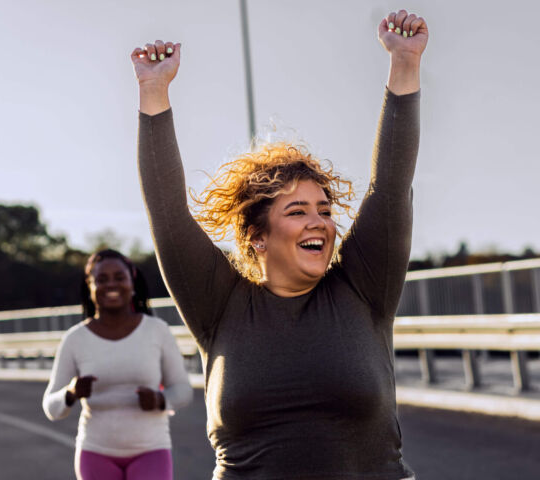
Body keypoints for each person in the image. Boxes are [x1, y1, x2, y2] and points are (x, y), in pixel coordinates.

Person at [132, 9, 426, 480]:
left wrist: (405, 63)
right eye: (298, 212)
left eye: (326, 211)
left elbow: (390, 185)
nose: (321, 223)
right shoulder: (219, 305)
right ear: (258, 237)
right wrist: (153, 93)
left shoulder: (364, 287)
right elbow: (168, 216)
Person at [42, 249, 193, 480]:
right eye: (101, 279)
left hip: (151, 450)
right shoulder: (75, 339)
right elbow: (51, 407)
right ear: (90, 285)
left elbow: (183, 390)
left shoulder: (157, 331)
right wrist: (70, 393)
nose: (111, 285)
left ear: (132, 280)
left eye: (119, 277)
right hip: (95, 453)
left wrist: (161, 399)